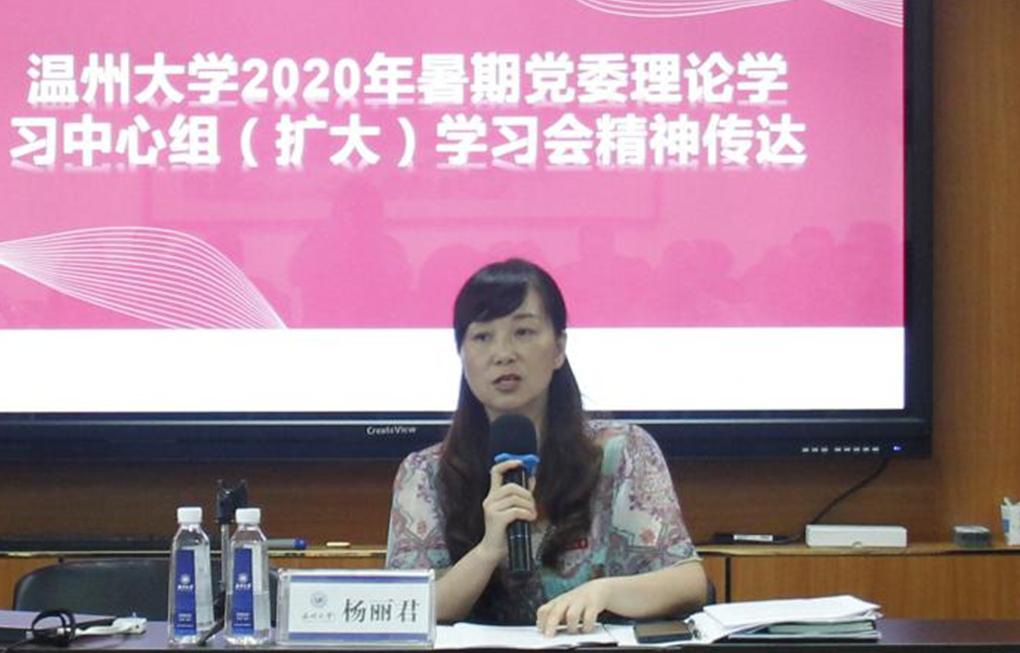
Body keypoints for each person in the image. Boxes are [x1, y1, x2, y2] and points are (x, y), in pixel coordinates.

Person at [385, 258, 707, 634]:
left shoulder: (622, 452)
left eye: (523, 332)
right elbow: (405, 609)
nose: (503, 353)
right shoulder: (425, 474)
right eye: (482, 337)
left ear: (558, 348)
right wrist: (487, 552)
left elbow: (689, 582)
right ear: (462, 354)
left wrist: (604, 592)